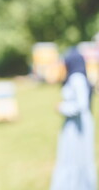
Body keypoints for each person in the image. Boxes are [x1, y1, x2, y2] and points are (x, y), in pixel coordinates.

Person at [50, 47, 97, 190]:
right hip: (74, 124)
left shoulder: (77, 78)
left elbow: (81, 105)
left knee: (78, 158)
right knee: (70, 157)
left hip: (78, 126)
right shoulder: (75, 77)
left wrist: (63, 107)